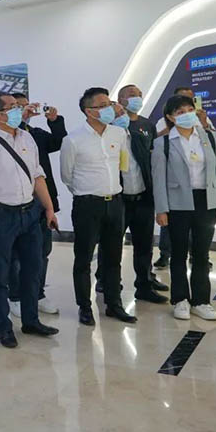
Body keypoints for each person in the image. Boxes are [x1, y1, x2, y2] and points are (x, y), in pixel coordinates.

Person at [0, 93, 60, 348]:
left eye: (18, 106)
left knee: (33, 269)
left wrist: (49, 208)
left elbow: (37, 175)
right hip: (1, 216)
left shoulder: (26, 137)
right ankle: (3, 327)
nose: (18, 110)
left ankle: (31, 321)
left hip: (30, 212)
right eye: (12, 107)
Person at [60, 87, 137, 326]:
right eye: (103, 105)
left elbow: (122, 165)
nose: (109, 109)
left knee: (113, 257)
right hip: (87, 205)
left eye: (109, 104)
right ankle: (84, 306)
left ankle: (114, 304)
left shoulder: (119, 133)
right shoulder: (72, 139)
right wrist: (86, 193)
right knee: (83, 258)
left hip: (115, 203)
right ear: (89, 111)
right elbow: (67, 176)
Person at [152, 94, 216, 321]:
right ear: (170, 117)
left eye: (189, 110)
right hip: (177, 203)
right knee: (178, 253)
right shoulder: (163, 143)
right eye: (180, 112)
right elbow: (159, 179)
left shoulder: (210, 137)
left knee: (201, 253)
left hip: (206, 200)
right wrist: (161, 209)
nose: (187, 115)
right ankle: (180, 300)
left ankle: (201, 301)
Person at [94, 86, 169, 305]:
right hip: (118, 198)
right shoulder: (107, 128)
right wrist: (119, 125)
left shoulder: (146, 125)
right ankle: (106, 281)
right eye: (132, 95)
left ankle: (144, 284)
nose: (137, 98)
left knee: (144, 245)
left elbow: (152, 154)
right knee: (111, 244)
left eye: (139, 95)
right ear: (120, 100)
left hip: (143, 195)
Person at [6, 94, 66, 317]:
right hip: (16, 203)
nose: (24, 111)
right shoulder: (1, 138)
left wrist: (55, 121)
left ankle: (37, 293)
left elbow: (58, 142)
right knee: (16, 255)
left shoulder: (36, 134)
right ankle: (15, 296)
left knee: (42, 251)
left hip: (42, 201)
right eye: (17, 108)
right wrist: (20, 121)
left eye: (25, 106)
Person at [154, 86, 214, 270]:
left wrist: (203, 123)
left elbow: (213, 140)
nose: (187, 113)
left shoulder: (202, 119)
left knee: (201, 239)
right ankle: (165, 254)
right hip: (176, 194)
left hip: (202, 193)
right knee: (173, 236)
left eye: (190, 105)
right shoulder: (162, 124)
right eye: (181, 109)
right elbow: (159, 143)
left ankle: (199, 258)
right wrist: (174, 129)